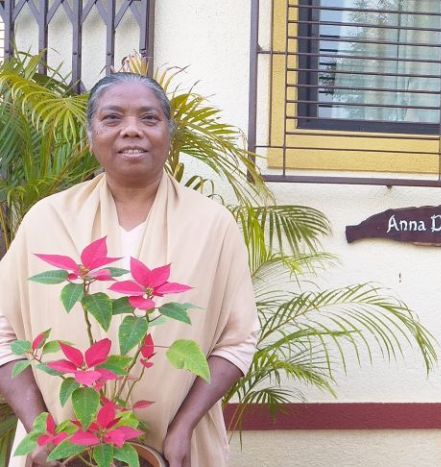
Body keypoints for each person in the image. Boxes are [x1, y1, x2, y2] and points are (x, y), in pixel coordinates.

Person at [0, 73, 259, 467]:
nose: (132, 131)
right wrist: (41, 429)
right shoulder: (47, 220)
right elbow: (3, 332)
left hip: (175, 450)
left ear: (169, 134)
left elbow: (237, 340)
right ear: (91, 135)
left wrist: (184, 427)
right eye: (113, 118)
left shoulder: (212, 225)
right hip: (58, 451)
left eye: (149, 118)